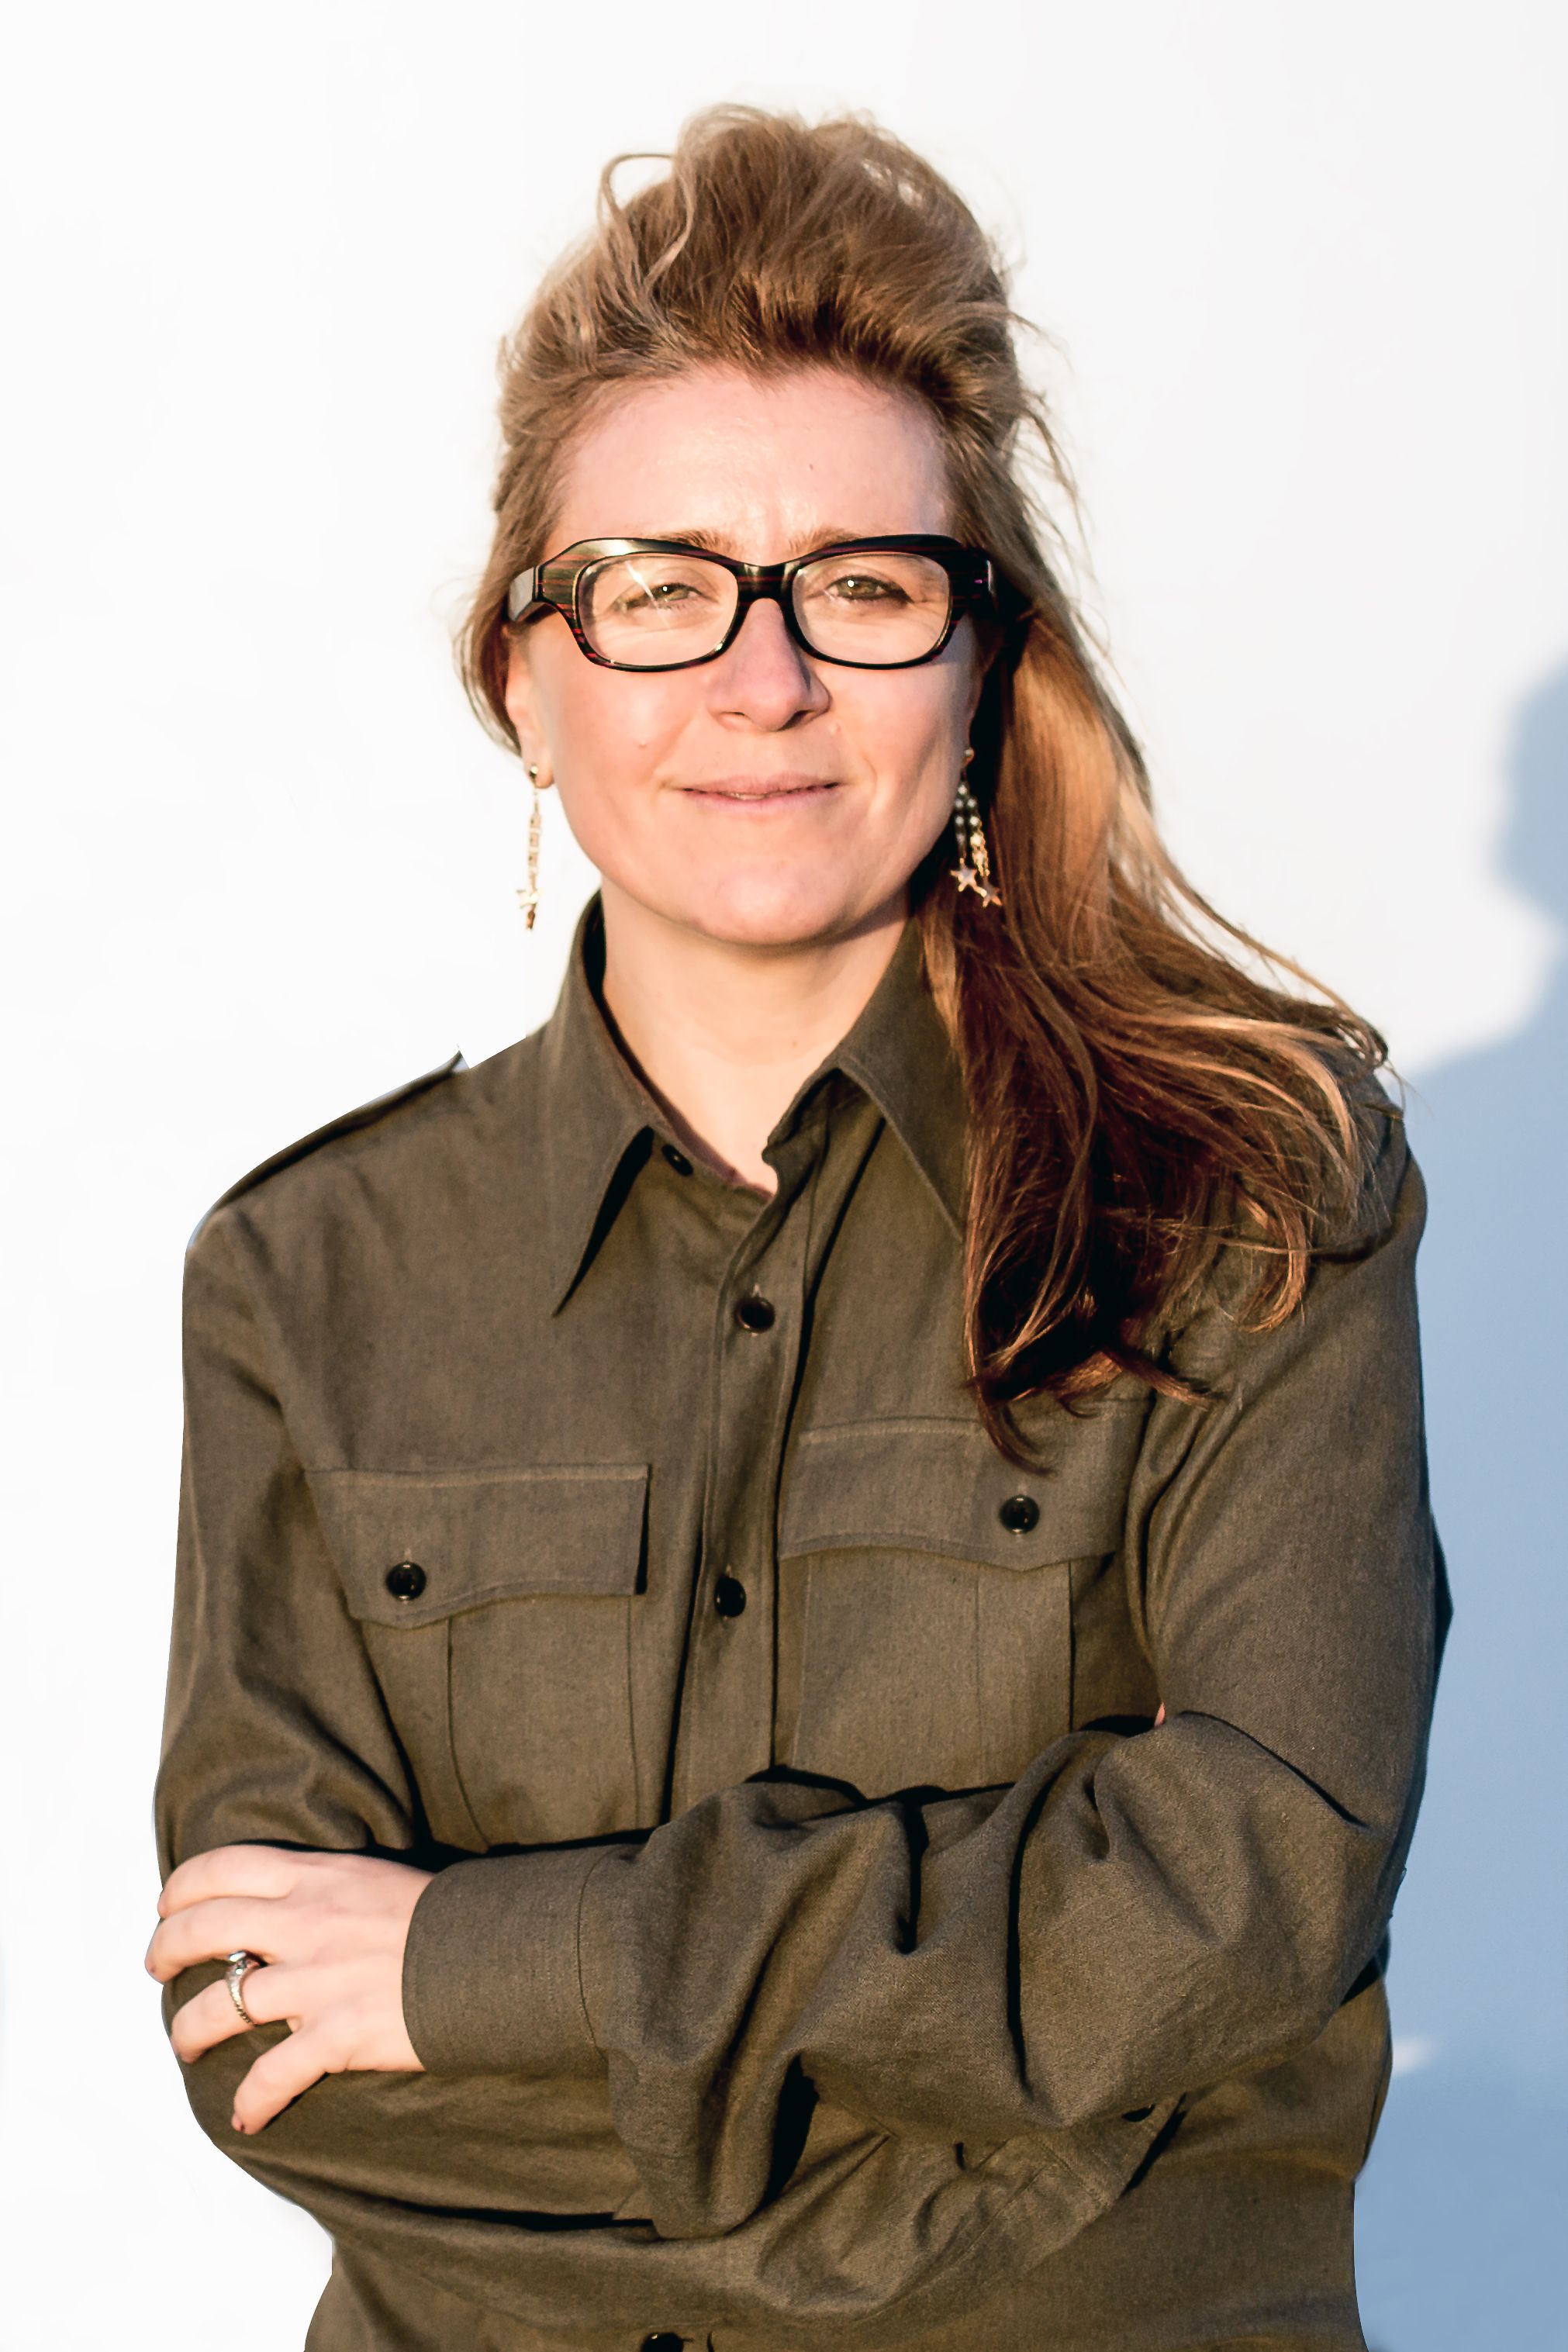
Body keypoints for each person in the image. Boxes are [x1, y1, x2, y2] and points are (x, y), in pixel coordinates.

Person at [147, 105, 1449, 2352]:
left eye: (863, 583)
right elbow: (266, 2024)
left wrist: (503, 1967)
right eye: (660, 590)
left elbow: (1251, 1891)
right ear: (523, 678)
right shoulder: (308, 1279)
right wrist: (1008, 2127)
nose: (765, 683)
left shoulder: (1255, 1196)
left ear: (977, 661)